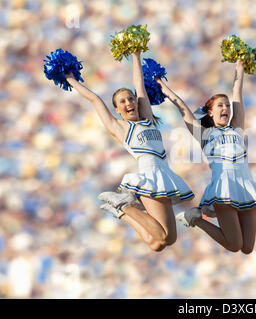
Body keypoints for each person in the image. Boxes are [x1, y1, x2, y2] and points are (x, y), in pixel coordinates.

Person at [65, 51, 194, 252]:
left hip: (164, 175)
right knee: (161, 235)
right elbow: (95, 99)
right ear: (117, 109)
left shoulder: (148, 118)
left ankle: (121, 212)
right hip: (149, 179)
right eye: (122, 102)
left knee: (161, 243)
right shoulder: (121, 128)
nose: (129, 103)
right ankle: (124, 205)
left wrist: (136, 54)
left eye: (131, 99)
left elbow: (139, 84)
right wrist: (70, 79)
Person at [155, 59, 256, 254]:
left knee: (248, 248)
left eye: (227, 106)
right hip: (222, 187)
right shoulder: (205, 134)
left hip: (245, 185)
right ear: (210, 111)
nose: (226, 108)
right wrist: (164, 88)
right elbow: (183, 109)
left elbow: (237, 96)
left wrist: (239, 69)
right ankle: (196, 219)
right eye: (220, 106)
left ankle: (195, 217)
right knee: (234, 245)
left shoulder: (237, 129)